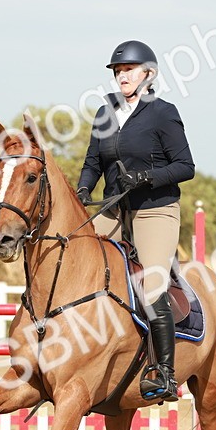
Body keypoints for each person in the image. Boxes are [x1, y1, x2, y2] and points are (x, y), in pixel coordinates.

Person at [76, 40, 195, 403]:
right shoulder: (105, 112)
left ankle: (165, 373)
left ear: (148, 74)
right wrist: (83, 190)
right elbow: (93, 162)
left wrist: (146, 178)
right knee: (78, 264)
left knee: (153, 286)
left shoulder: (163, 112)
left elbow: (185, 167)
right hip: (113, 208)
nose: (121, 76)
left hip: (154, 210)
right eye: (117, 71)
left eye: (127, 70)